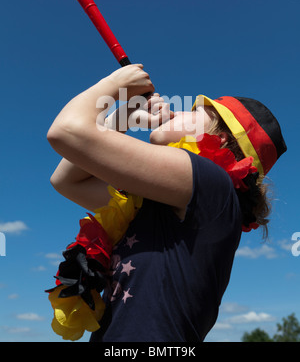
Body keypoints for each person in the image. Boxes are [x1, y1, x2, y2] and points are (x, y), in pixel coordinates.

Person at [47, 64, 287, 342]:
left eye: (194, 112)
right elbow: (65, 180)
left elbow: (65, 132)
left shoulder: (213, 184)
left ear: (219, 138)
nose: (177, 110)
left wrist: (114, 84)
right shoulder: (153, 202)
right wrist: (123, 117)